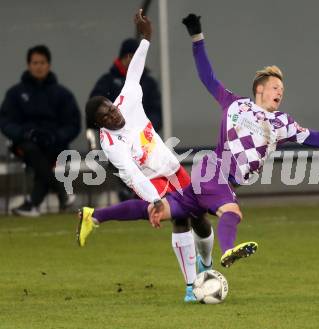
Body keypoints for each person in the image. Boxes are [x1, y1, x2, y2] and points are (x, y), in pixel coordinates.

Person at [147, 13, 319, 268]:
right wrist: (197, 36)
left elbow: (316, 139)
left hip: (224, 182)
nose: (280, 92)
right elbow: (207, 77)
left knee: (178, 211)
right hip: (212, 170)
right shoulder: (234, 104)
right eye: (276, 87)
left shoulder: (283, 123)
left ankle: (99, 218)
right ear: (260, 89)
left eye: (282, 91)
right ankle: (228, 251)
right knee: (231, 212)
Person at [78, 10, 214, 302]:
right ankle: (192, 286)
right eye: (106, 117)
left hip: (173, 169)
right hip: (152, 181)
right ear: (100, 124)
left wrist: (146, 38)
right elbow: (131, 173)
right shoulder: (110, 143)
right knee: (180, 219)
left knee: (199, 217)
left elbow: (135, 69)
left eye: (111, 109)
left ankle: (207, 264)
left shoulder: (127, 100)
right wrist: (154, 200)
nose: (113, 116)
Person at [0, 45, 81, 217]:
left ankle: (32, 204)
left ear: (49, 65)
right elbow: (6, 121)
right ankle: (62, 192)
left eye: (42, 62)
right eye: (35, 63)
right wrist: (25, 133)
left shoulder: (62, 94)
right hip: (25, 143)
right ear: (28, 65)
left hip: (55, 144)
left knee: (48, 154)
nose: (39, 66)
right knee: (32, 150)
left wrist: (55, 136)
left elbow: (73, 124)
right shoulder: (15, 94)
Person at [86, 37, 163, 201]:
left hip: (144, 137)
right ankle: (134, 193)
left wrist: (145, 128)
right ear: (128, 57)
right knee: (125, 163)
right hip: (117, 138)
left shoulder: (147, 82)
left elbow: (156, 111)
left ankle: (150, 194)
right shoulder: (107, 81)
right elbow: (92, 110)